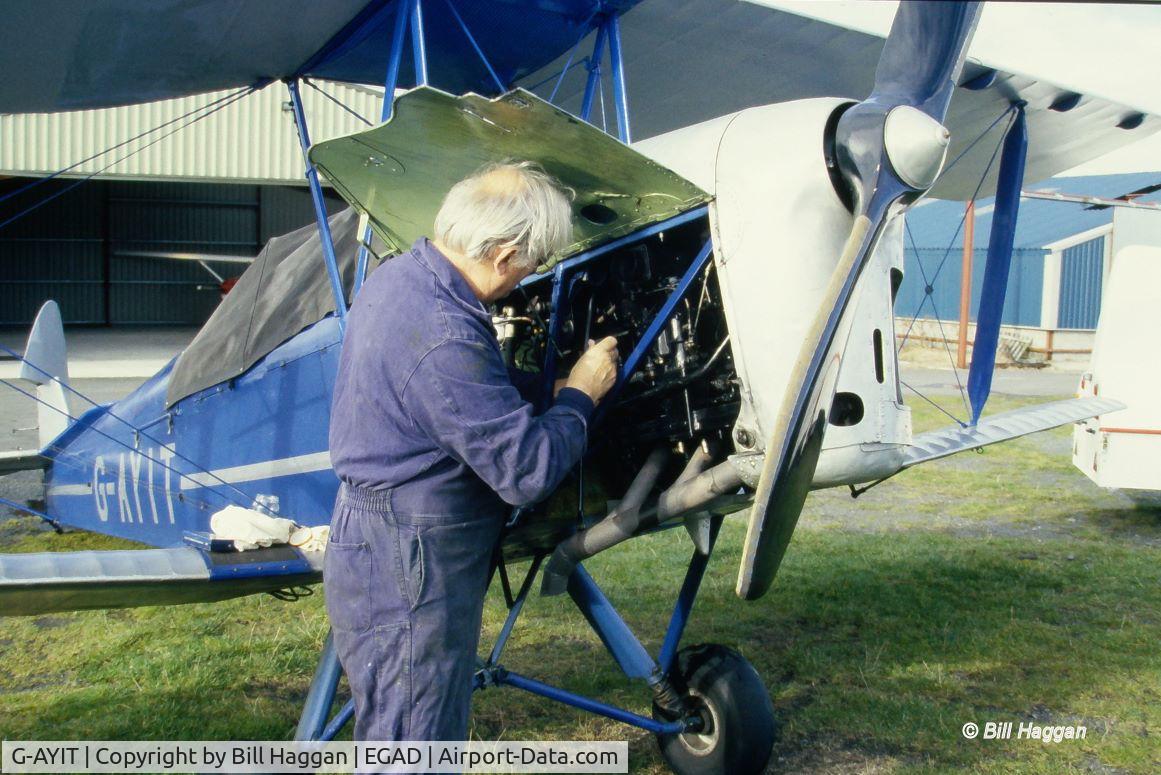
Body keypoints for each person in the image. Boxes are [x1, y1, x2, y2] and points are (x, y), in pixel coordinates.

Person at [325, 161, 619, 742]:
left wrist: (545, 391)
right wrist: (581, 396)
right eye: (533, 262)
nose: (529, 275)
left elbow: (465, 393)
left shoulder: (403, 276)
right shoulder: (443, 331)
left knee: (409, 722)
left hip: (386, 539)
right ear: (506, 254)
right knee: (415, 736)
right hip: (410, 557)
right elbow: (526, 470)